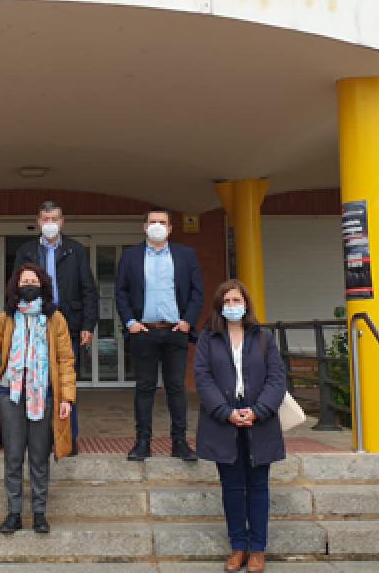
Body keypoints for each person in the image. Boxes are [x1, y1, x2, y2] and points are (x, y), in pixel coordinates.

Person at [0, 263, 76, 535]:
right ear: (15, 286)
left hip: (43, 395)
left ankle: (40, 513)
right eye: (23, 281)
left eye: (33, 280)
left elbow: (66, 360)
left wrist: (67, 397)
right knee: (14, 456)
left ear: (43, 284)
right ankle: (14, 513)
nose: (28, 285)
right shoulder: (5, 318)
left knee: (40, 457)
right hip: (10, 394)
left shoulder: (56, 319)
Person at [194, 280, 288, 573]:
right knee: (232, 487)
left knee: (258, 486)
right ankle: (238, 547)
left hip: (260, 421)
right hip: (223, 423)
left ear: (246, 303)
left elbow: (277, 378)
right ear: (219, 306)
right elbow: (203, 377)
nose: (232, 306)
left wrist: (258, 411)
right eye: (227, 301)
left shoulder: (264, 337)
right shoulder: (208, 338)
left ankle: (257, 550)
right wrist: (225, 412)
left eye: (237, 300)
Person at [115, 208, 204, 461]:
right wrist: (130, 322)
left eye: (162, 222)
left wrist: (188, 321)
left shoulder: (186, 255)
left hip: (175, 331)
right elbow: (121, 292)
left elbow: (197, 292)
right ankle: (142, 442)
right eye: (152, 222)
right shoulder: (131, 256)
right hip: (144, 332)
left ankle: (180, 442)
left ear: (170, 228)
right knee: (144, 388)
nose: (157, 225)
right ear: (144, 227)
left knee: (176, 387)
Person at [11, 200, 97, 453]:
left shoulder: (76, 251)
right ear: (38, 222)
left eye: (55, 219)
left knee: (65, 382)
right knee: (33, 380)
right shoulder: (26, 251)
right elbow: (15, 288)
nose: (50, 224)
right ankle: (35, 440)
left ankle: (67, 438)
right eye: (45, 219)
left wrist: (87, 325)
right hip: (32, 323)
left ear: (62, 221)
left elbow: (88, 290)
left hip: (68, 323)